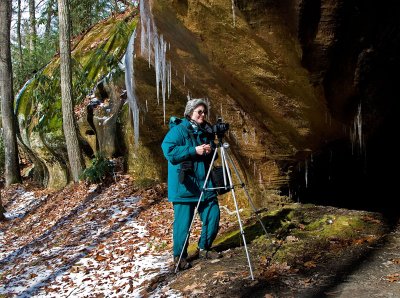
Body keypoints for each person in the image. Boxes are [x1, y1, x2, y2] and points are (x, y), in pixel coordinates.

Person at [161, 98, 221, 270]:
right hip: (185, 186)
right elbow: (169, 151)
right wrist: (194, 150)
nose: (203, 115)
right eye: (199, 112)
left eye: (204, 112)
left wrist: (210, 150)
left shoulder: (204, 131)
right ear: (190, 113)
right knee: (183, 224)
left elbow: (211, 155)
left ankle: (205, 247)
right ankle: (179, 257)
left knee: (213, 214)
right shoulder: (178, 131)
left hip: (204, 183)